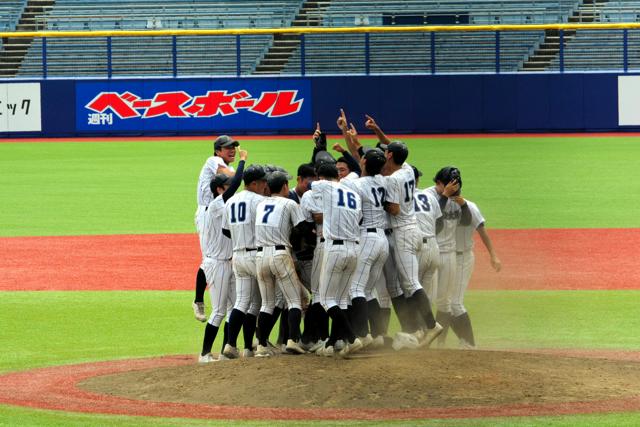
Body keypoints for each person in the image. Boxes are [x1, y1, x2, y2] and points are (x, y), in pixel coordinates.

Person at [382, 141, 443, 350]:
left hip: (403, 233)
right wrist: (377, 131)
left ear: (389, 155)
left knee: (410, 284)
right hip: (415, 231)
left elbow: (395, 209)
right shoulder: (407, 170)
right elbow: (393, 149)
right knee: (408, 284)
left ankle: (431, 326)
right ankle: (416, 329)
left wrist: (379, 201)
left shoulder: (394, 179)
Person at [198, 149, 247, 363]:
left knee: (234, 308)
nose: (232, 190)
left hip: (229, 262)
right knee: (218, 311)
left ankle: (226, 351)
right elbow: (236, 185)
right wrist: (243, 162)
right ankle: (204, 354)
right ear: (219, 189)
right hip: (216, 264)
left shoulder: (226, 206)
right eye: (227, 187)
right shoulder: (216, 205)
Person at [312, 163, 364, 357]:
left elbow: (316, 186)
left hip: (335, 248)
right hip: (354, 248)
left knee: (326, 299)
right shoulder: (354, 195)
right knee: (342, 300)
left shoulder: (324, 185)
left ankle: (352, 338)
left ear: (322, 177)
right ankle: (333, 343)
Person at [254, 171, 309, 357]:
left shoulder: (260, 204)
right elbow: (303, 229)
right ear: (285, 186)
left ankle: (261, 345)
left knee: (267, 304)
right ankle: (292, 340)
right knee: (294, 300)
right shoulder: (290, 203)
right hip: (280, 254)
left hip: (260, 256)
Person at [341, 148, 389, 347]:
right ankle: (379, 335)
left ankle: (363, 335)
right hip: (382, 241)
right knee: (369, 290)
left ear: (364, 163)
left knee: (355, 288)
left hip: (366, 238)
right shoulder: (383, 181)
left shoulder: (356, 184)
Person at [221, 165, 267, 359]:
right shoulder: (260, 201)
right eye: (263, 181)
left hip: (238, 255)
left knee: (241, 302)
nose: (266, 185)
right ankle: (249, 347)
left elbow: (225, 230)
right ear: (254, 183)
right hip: (255, 254)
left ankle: (231, 345)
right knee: (257, 304)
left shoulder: (231, 201)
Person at [424, 166, 473, 347]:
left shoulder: (456, 198)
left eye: (456, 187)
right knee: (428, 298)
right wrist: (444, 196)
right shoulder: (427, 196)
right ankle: (424, 338)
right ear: (438, 183)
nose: (454, 190)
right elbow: (435, 225)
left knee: (444, 301)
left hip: (450, 254)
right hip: (431, 251)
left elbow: (467, 222)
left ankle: (440, 343)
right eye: (449, 186)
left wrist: (463, 204)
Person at [193, 135, 239, 322]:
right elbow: (231, 177)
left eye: (234, 147)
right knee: (209, 257)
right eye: (228, 147)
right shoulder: (213, 160)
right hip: (206, 213)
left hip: (221, 210)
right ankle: (198, 301)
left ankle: (225, 298)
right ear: (218, 150)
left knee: (226, 254)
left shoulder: (231, 168)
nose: (232, 150)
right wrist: (244, 163)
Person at [448, 198, 502, 348]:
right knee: (443, 303)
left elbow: (482, 231)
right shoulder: (440, 203)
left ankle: (470, 345)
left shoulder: (470, 207)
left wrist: (493, 255)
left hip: (463, 258)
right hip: (447, 257)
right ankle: (463, 340)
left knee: (455, 303)